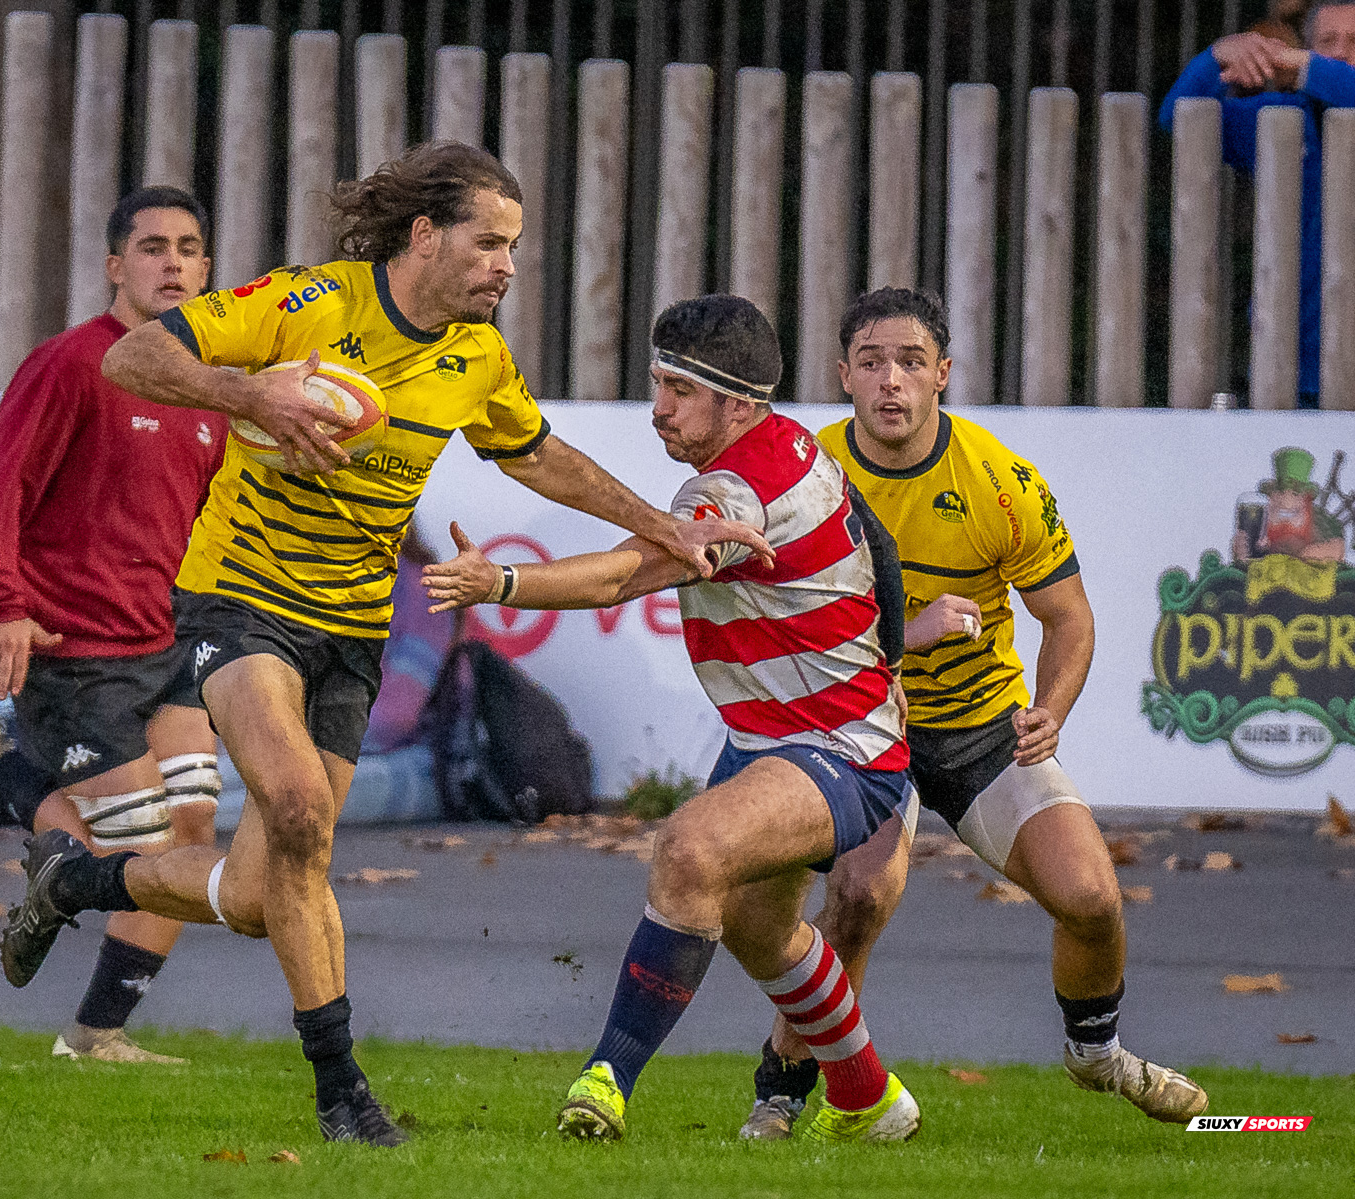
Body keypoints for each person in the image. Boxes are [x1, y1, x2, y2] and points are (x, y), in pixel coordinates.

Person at [0, 142, 755, 1146]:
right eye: (490, 242)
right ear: (426, 235)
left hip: (353, 628)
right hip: (239, 598)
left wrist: (669, 527)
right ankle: (341, 1089)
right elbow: (132, 356)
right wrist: (252, 394)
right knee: (302, 806)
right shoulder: (311, 302)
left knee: (268, 889)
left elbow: (540, 456)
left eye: (516, 249)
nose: (506, 266)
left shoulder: (476, 357)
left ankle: (74, 878)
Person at [424, 294, 923, 1145]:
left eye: (676, 389)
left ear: (738, 402)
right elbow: (880, 552)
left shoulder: (741, 490)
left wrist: (499, 583)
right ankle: (871, 1098)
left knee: (690, 848)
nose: (657, 406)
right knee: (762, 932)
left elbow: (619, 578)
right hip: (780, 741)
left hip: (840, 749)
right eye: (656, 383)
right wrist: (894, 660)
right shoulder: (787, 450)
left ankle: (607, 1079)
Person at [739, 288, 1209, 1140]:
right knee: (856, 898)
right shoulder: (807, 474)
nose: (891, 382)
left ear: (943, 376)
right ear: (842, 375)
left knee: (1093, 899)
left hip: (985, 727)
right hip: (862, 724)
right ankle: (783, 1091)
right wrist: (903, 639)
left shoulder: (999, 480)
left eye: (911, 362)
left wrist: (1052, 709)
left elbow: (1069, 615)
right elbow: (777, 618)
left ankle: (1095, 1052)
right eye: (872, 362)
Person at [0, 186, 228, 1064]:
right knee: (144, 853)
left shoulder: (211, 384)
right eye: (151, 247)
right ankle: (7, 779)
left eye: (187, 247)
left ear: (208, 269)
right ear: (115, 267)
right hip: (79, 655)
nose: (171, 261)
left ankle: (97, 1034)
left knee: (193, 837)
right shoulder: (70, 364)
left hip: (170, 646)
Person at [1160, 0, 1355, 408]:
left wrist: (1306, 69)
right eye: (1327, 41)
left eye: (1354, 42)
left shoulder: (1312, 75)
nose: (1339, 51)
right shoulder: (1278, 119)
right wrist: (1216, 59)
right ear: (1309, 45)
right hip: (1285, 364)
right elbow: (1180, 121)